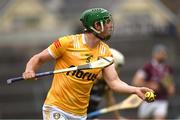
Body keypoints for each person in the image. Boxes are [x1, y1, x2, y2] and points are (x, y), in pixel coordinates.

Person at [22, 8, 152, 120]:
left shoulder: (105, 51)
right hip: (56, 107)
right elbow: (38, 58)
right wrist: (29, 70)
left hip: (80, 114)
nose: (110, 25)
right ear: (96, 25)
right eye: (106, 22)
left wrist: (135, 90)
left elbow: (114, 82)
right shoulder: (67, 43)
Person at [132, 44, 175, 120]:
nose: (164, 55)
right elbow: (136, 82)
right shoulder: (147, 67)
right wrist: (149, 85)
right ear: (155, 54)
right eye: (161, 53)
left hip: (161, 100)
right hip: (147, 100)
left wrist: (169, 87)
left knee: (160, 117)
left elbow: (170, 88)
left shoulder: (167, 69)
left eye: (164, 53)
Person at [87, 48, 125, 119]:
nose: (117, 72)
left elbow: (110, 100)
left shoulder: (107, 82)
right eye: (116, 68)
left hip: (92, 115)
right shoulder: (89, 78)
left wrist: (118, 118)